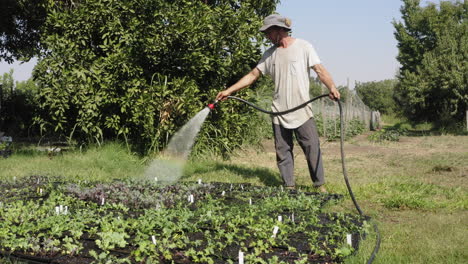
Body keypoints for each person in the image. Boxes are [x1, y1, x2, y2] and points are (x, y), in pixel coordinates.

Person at [216, 14, 340, 193]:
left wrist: (332, 87)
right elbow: (252, 76)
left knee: (312, 147)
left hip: (302, 110)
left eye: (268, 32)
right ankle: (289, 186)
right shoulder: (269, 54)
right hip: (279, 111)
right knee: (283, 151)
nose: (266, 36)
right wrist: (229, 90)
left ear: (279, 29)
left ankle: (319, 185)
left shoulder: (304, 47)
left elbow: (319, 70)